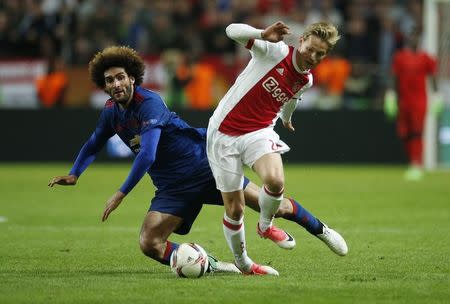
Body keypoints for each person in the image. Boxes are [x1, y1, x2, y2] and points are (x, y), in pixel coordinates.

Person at [48, 46, 347, 276]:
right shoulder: (111, 112)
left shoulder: (149, 103)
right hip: (172, 188)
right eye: (109, 80)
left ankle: (321, 230)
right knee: (149, 243)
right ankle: (213, 265)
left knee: (276, 206)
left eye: (120, 77)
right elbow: (93, 143)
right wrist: (75, 173)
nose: (116, 84)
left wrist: (120, 193)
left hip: (206, 169)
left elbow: (149, 154)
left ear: (132, 78)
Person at [206, 21, 347, 275]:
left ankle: (265, 225)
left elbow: (291, 99)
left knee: (274, 181)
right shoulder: (275, 51)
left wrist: (286, 118)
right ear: (301, 40)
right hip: (223, 132)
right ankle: (243, 263)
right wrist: (262, 34)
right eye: (311, 49)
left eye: (320, 54)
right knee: (235, 209)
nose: (313, 56)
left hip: (258, 131)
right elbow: (230, 31)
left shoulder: (306, 80)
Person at [384, 28, 443, 180]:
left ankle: (416, 164)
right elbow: (393, 77)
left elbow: (433, 77)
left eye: (417, 38)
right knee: (404, 134)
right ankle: (412, 161)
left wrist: (436, 96)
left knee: (417, 132)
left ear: (420, 40)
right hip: (403, 101)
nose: (414, 40)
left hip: (419, 101)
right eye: (412, 37)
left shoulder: (426, 58)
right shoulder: (400, 57)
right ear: (408, 39)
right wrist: (390, 95)